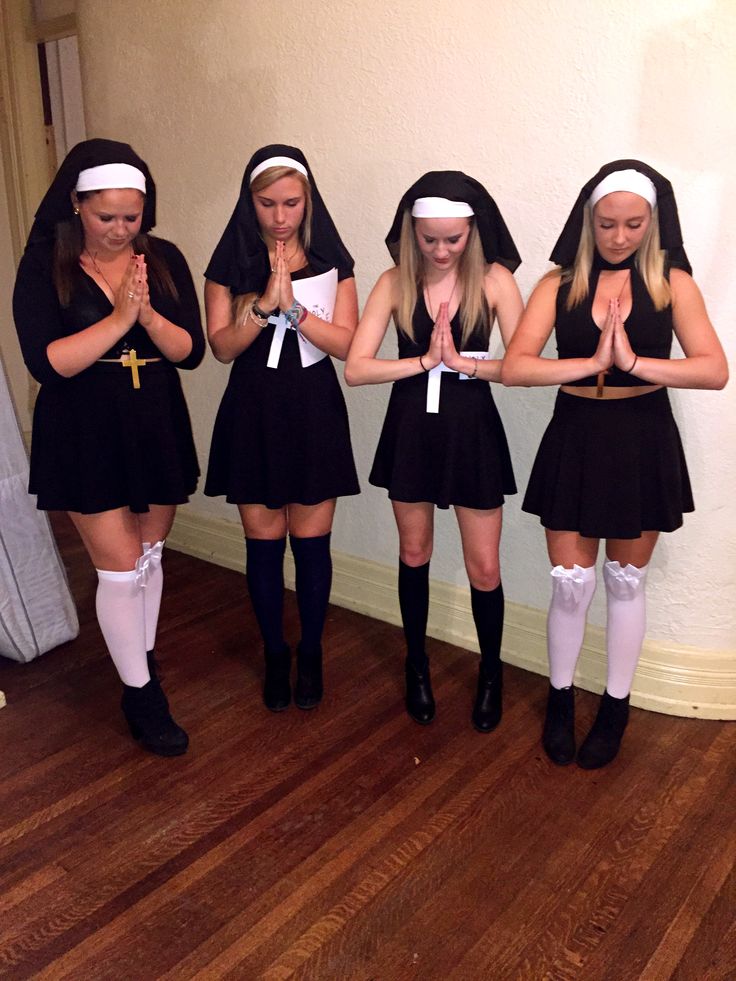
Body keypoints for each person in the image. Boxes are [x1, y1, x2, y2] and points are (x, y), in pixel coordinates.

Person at [502, 159, 728, 769]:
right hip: (574, 433)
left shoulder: (670, 282)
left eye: (633, 224)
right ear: (587, 220)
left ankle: (616, 706)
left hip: (641, 437)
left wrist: (632, 362)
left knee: (626, 582)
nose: (620, 236)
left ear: (653, 223)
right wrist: (588, 363)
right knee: (570, 586)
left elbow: (713, 369)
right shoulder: (560, 283)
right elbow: (516, 366)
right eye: (606, 224)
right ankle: (558, 699)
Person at [13, 138, 204, 756]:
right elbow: (47, 363)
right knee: (120, 569)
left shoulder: (164, 258)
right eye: (106, 218)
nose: (122, 230)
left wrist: (146, 318)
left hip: (155, 420)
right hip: (83, 426)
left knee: (149, 554)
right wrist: (118, 320)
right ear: (75, 205)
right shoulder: (45, 264)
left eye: (133, 216)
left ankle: (137, 664)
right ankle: (144, 697)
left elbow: (190, 352)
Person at [345, 171, 523, 730]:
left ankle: (491, 673)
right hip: (412, 429)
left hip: (471, 429)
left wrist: (466, 364)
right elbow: (356, 369)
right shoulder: (393, 281)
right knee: (414, 551)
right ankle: (416, 664)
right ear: (411, 232)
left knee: (485, 566)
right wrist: (424, 361)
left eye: (453, 238)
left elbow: (523, 367)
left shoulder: (494, 281)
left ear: (473, 231)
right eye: (429, 239)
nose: (442, 250)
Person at [204, 145, 359, 712]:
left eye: (291, 203)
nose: (280, 216)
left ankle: (311, 652)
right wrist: (264, 305)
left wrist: (297, 312)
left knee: (312, 546)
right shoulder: (229, 266)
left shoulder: (330, 260)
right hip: (253, 412)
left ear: (308, 200)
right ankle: (275, 652)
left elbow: (349, 345)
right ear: (250, 203)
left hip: (315, 408)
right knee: (265, 546)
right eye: (267, 203)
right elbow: (221, 348)